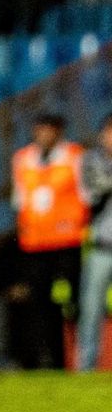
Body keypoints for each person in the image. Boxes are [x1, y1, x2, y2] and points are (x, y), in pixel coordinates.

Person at [11, 114, 89, 370]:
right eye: (39, 129)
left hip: (68, 241)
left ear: (59, 131)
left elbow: (87, 195)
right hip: (35, 244)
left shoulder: (75, 156)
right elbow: (20, 200)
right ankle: (52, 361)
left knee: (76, 302)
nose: (44, 134)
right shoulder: (23, 159)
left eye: (49, 130)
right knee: (41, 305)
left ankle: (84, 360)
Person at [77, 114, 112, 371]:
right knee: (90, 311)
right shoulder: (91, 159)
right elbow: (93, 192)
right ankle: (85, 368)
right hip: (102, 246)